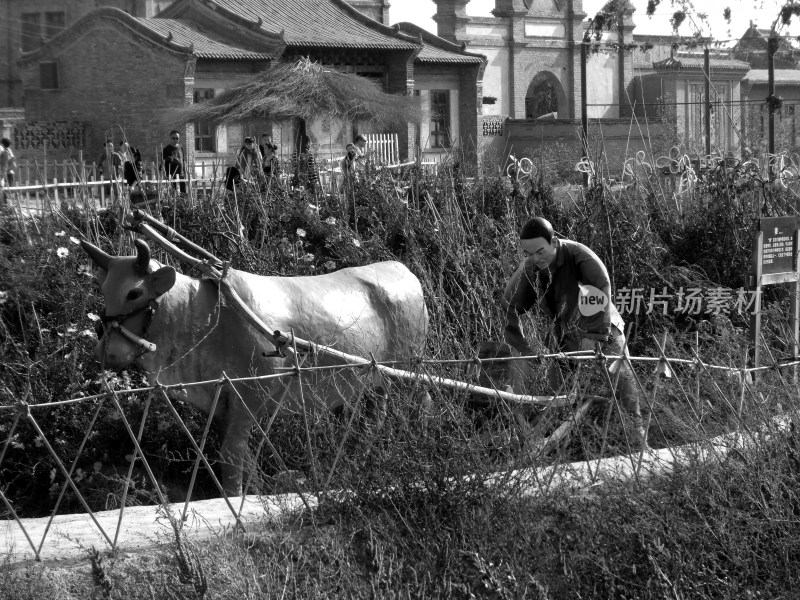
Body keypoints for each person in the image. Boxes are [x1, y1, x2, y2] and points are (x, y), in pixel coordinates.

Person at [502, 216, 646, 447]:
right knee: (557, 395)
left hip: (603, 328)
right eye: (528, 254)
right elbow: (510, 307)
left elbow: (600, 287)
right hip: (564, 337)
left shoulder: (579, 256)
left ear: (554, 242)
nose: (535, 259)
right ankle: (558, 445)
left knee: (620, 383)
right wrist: (521, 347)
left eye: (540, 251)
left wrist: (594, 336)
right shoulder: (530, 268)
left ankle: (638, 441)